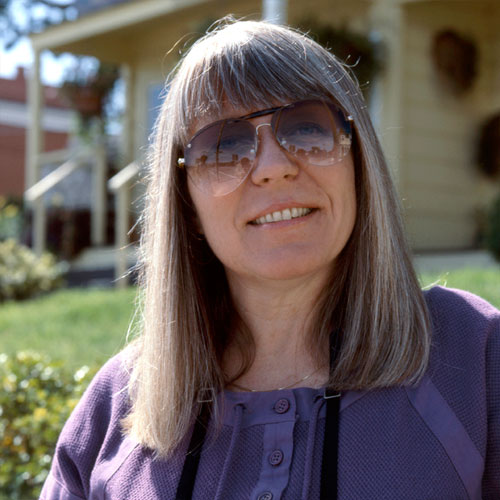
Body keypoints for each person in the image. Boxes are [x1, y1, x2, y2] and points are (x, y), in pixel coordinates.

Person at [40, 19, 499, 500]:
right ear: (188, 205)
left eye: (308, 128)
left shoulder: (474, 357)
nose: (274, 167)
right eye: (224, 145)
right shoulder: (116, 405)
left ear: (358, 162)